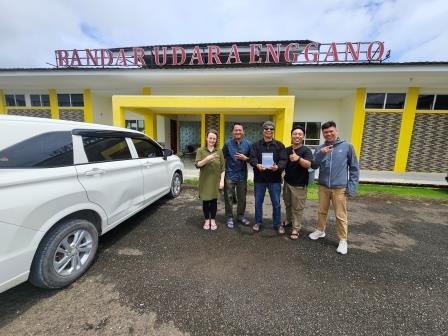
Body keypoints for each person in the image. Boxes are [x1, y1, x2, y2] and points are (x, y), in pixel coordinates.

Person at [308, 121, 359, 255]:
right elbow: (313, 165)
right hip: (323, 186)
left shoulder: (347, 146)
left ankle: (343, 240)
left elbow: (354, 168)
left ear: (336, 131)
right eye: (326, 132)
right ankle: (320, 230)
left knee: (340, 215)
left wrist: (352, 187)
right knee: (321, 211)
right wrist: (321, 154)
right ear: (323, 134)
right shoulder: (320, 148)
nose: (329, 134)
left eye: (331, 131)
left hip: (340, 188)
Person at [249, 121, 287, 233]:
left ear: (273, 131)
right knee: (258, 203)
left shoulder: (280, 145)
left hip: (274, 179)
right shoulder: (255, 145)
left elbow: (284, 160)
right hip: (259, 179)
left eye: (271, 129)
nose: (269, 131)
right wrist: (257, 164)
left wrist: (278, 167)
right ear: (263, 131)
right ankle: (258, 222)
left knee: (276, 203)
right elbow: (252, 158)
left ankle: (277, 224)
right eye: (266, 129)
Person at [282, 125, 313, 240]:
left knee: (297, 208)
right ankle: (289, 221)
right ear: (291, 135)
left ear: (303, 137)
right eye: (295, 134)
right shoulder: (287, 149)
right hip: (287, 182)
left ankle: (296, 228)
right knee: (288, 204)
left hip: (299, 185)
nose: (297, 136)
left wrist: (298, 158)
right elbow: (283, 164)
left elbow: (308, 164)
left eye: (300, 134)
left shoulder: (306, 150)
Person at [222, 122, 252, 228]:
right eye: (236, 130)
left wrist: (246, 158)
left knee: (242, 197)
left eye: (240, 130)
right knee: (228, 197)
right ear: (232, 132)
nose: (238, 132)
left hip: (242, 175)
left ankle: (240, 216)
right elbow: (223, 158)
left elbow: (252, 159)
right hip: (230, 174)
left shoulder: (248, 144)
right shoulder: (227, 144)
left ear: (243, 132)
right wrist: (222, 173)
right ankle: (229, 217)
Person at [195, 129, 225, 231]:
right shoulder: (200, 150)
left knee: (214, 202)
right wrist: (207, 159)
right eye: (210, 138)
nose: (212, 140)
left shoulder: (219, 151)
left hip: (216, 181)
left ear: (216, 140)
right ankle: (207, 220)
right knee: (205, 202)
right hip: (205, 181)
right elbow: (198, 164)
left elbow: (223, 168)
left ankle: (213, 220)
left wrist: (222, 181)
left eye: (214, 138)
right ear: (206, 138)